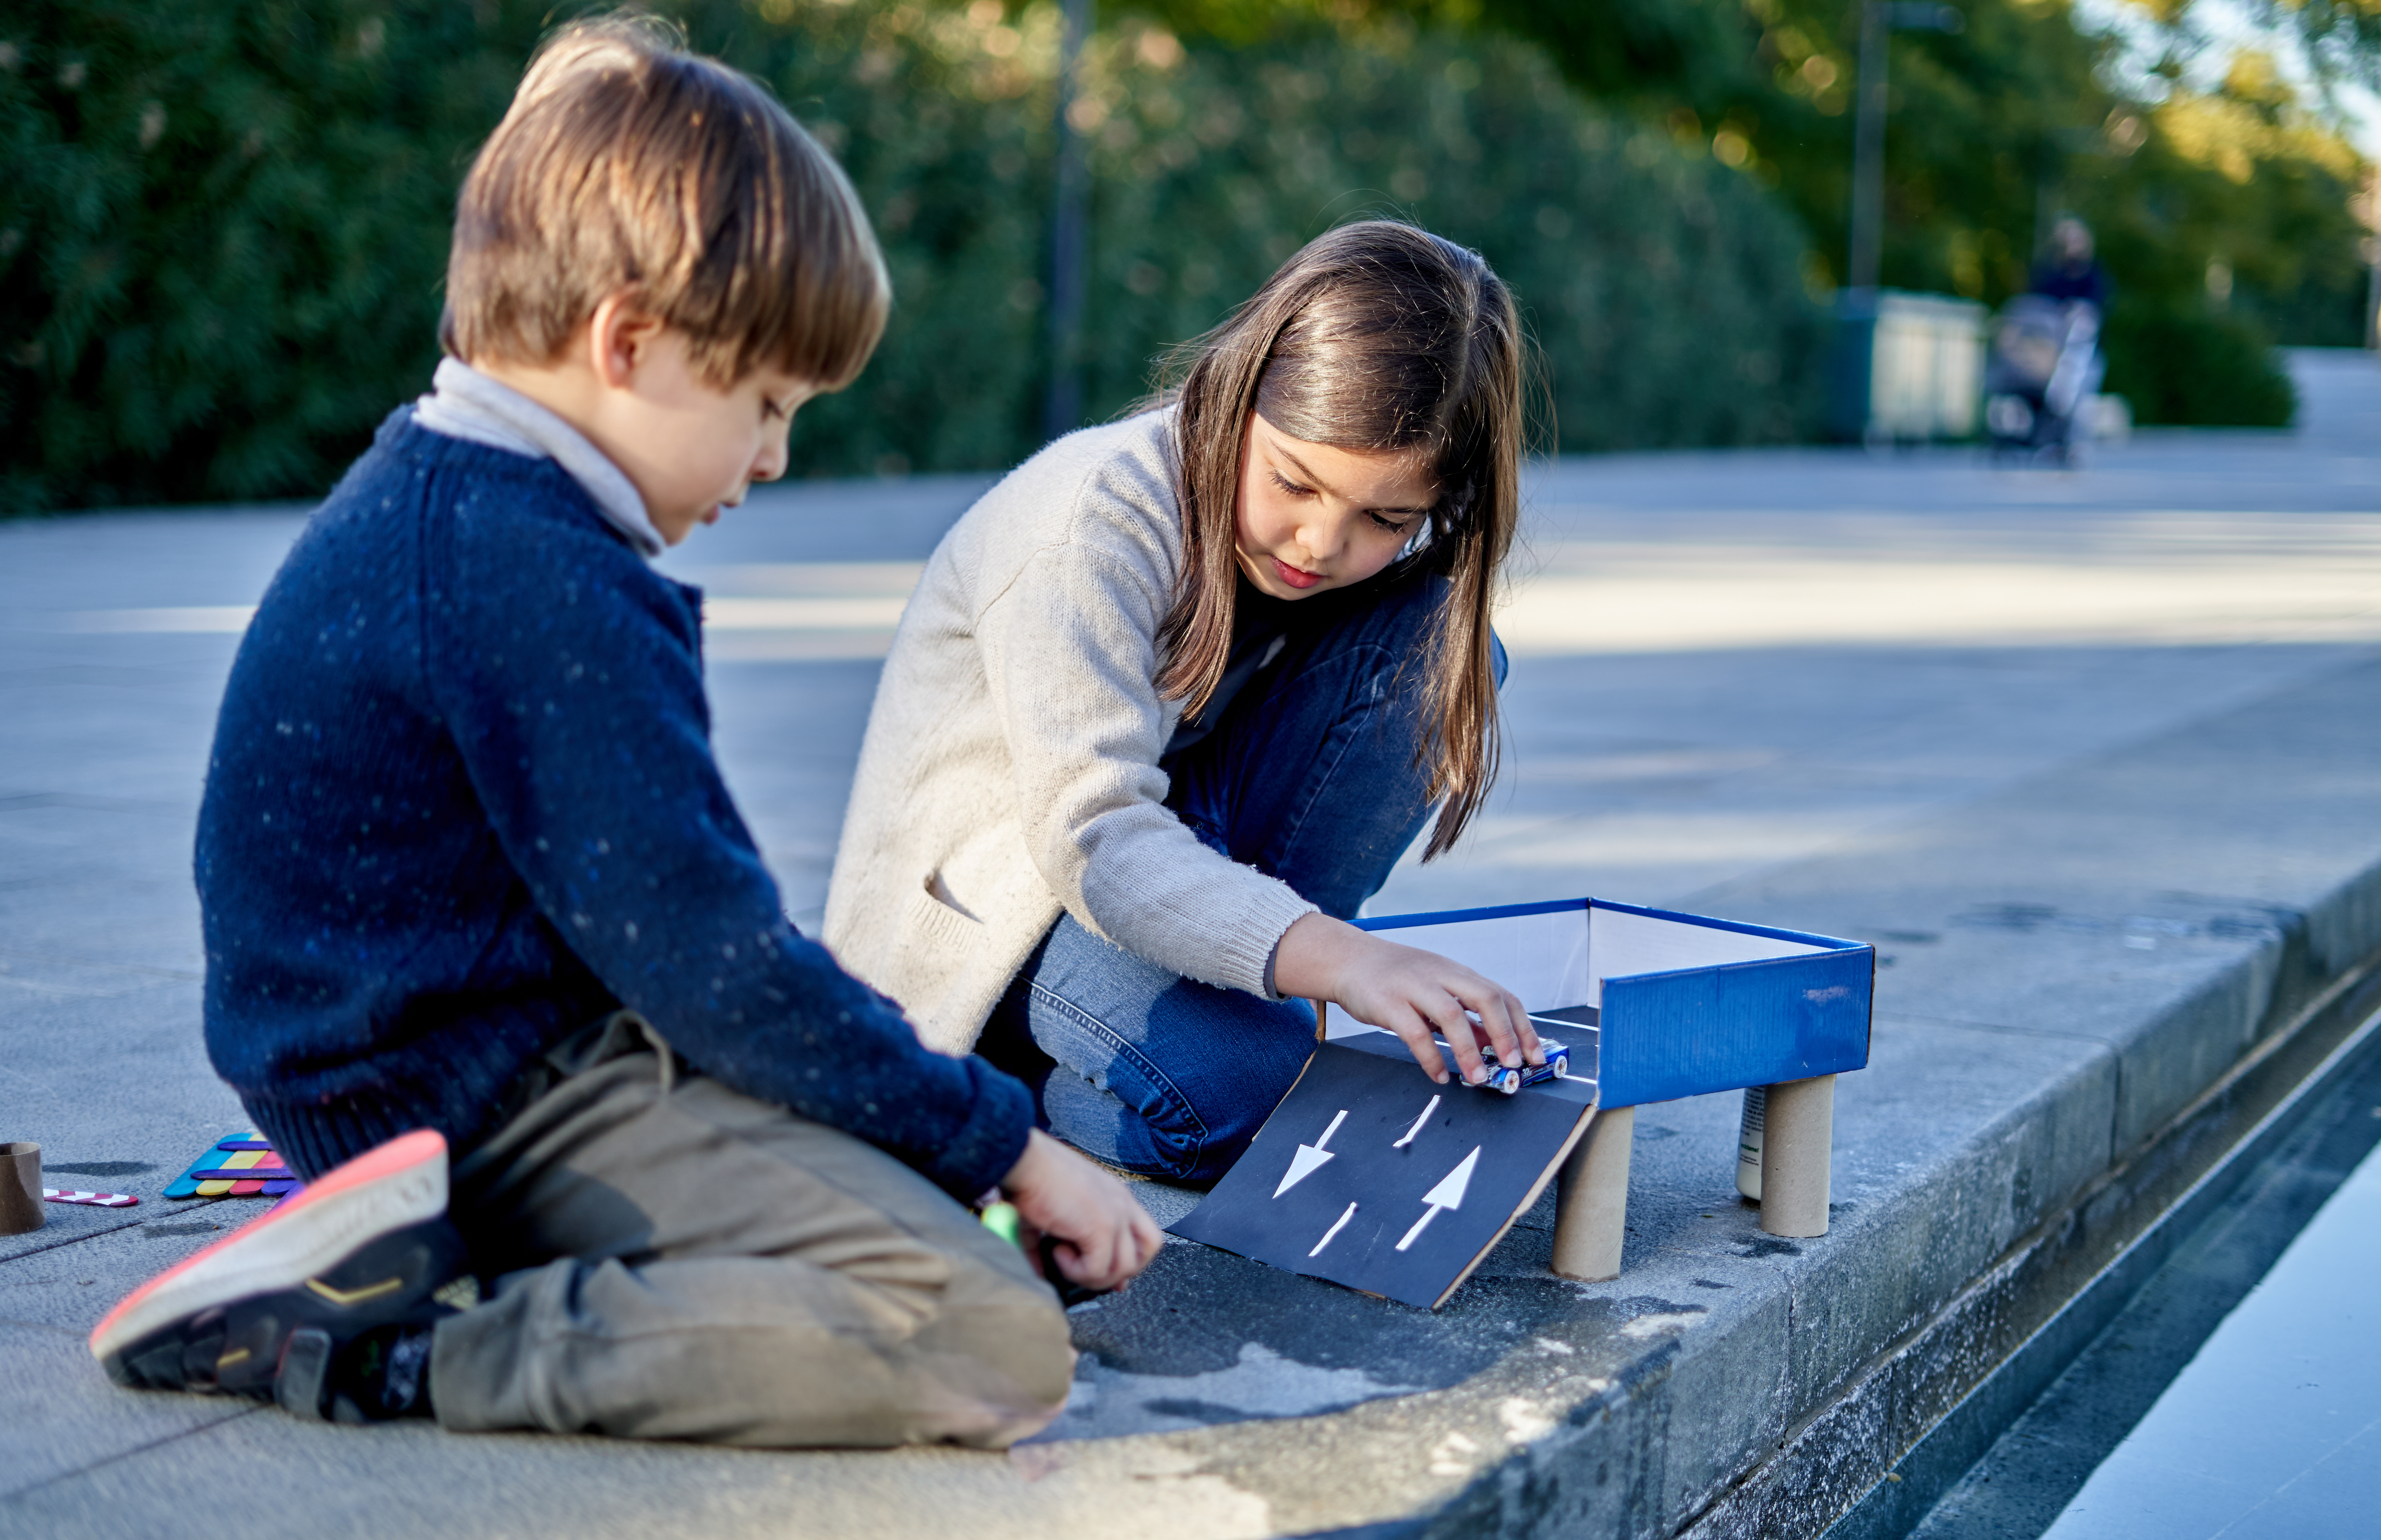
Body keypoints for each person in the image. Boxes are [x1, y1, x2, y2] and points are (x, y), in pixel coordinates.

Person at [88, 15, 1158, 1448]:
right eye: (766, 404)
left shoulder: (448, 496)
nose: (773, 459)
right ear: (629, 341)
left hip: (420, 1074)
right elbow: (721, 969)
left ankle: (461, 1281)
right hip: (480, 1107)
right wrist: (1007, 1141)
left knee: (907, 1206)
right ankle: (410, 1348)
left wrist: (917, 1141)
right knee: (983, 1337)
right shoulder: (539, 575)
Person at [825, 221, 1543, 1186]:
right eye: (1295, 479)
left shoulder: (1314, 543)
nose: (1319, 542)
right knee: (1240, 1098)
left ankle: (1236, 1012)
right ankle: (1025, 1089)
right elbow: (1093, 841)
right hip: (1016, 913)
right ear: (1240, 389)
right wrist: (1350, 965)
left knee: (1445, 651)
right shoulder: (1089, 525)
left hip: (1169, 859)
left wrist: (1333, 965)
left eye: (1386, 519)